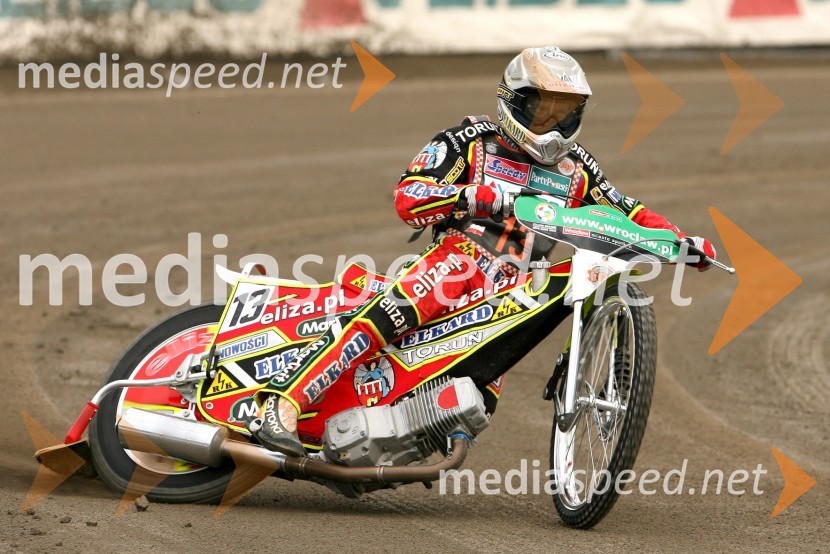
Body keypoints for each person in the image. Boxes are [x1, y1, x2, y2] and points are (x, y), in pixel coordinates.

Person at [252, 46, 716, 456]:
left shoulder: (580, 170)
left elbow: (627, 211)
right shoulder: (469, 141)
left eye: (564, 112)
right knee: (384, 319)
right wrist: (474, 196)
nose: (552, 124)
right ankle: (282, 404)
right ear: (512, 103)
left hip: (517, 291)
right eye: (542, 110)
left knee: (471, 411)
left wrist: (680, 240)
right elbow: (408, 197)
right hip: (460, 259)